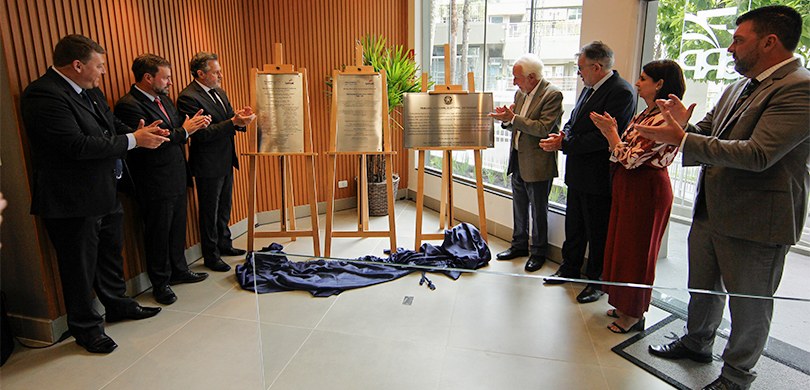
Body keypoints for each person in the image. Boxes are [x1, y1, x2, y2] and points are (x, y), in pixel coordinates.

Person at [636, 6, 809, 390]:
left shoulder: (800, 86)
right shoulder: (734, 88)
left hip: (757, 220)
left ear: (770, 42)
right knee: (702, 286)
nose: (729, 48)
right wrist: (682, 125)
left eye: (738, 40)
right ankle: (698, 342)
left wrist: (683, 138)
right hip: (711, 210)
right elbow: (705, 132)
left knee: (749, 304)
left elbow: (758, 154)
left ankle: (736, 376)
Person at [20, 34, 168, 354]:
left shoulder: (91, 91)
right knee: (79, 267)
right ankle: (86, 329)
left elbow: (109, 125)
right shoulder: (43, 94)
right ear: (77, 65)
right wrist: (134, 141)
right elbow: (76, 146)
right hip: (71, 199)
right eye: (99, 66)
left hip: (105, 189)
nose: (103, 71)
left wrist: (139, 132)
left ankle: (117, 304)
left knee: (110, 254)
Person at [588, 60, 685, 333]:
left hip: (646, 188)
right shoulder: (646, 113)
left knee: (637, 253)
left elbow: (631, 158)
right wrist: (614, 136)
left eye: (643, 78)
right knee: (622, 246)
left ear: (660, 84)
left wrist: (611, 134)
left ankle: (633, 313)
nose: (637, 83)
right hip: (628, 184)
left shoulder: (665, 118)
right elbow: (625, 150)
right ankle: (622, 304)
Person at [539, 41, 635, 304]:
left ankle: (596, 281)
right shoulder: (589, 89)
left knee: (597, 232)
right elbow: (573, 121)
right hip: (578, 172)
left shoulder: (621, 92)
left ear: (597, 67)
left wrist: (565, 143)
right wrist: (564, 136)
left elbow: (604, 137)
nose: (578, 73)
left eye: (581, 68)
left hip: (598, 175)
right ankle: (569, 267)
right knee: (575, 225)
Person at [114, 54, 211, 305]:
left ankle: (179, 270)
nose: (170, 82)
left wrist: (189, 127)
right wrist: (186, 130)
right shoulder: (128, 105)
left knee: (177, 228)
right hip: (153, 180)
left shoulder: (165, 100)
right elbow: (158, 139)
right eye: (166, 77)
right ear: (148, 78)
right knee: (158, 233)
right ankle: (160, 283)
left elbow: (175, 129)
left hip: (176, 174)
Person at [177, 52, 256, 272]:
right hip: (207, 163)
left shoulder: (219, 92)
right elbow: (200, 133)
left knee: (224, 207)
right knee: (209, 211)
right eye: (216, 72)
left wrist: (241, 120)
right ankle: (211, 255)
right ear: (200, 74)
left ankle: (224, 243)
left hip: (225, 158)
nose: (221, 75)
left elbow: (229, 119)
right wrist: (233, 122)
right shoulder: (188, 97)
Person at [489, 54, 563, 273]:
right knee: (519, 206)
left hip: (538, 163)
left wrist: (513, 118)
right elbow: (518, 124)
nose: (514, 82)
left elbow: (543, 129)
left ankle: (538, 253)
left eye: (517, 77)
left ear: (531, 77)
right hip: (518, 159)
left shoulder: (552, 94)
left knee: (538, 211)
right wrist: (507, 121)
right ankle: (519, 245)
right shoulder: (520, 93)